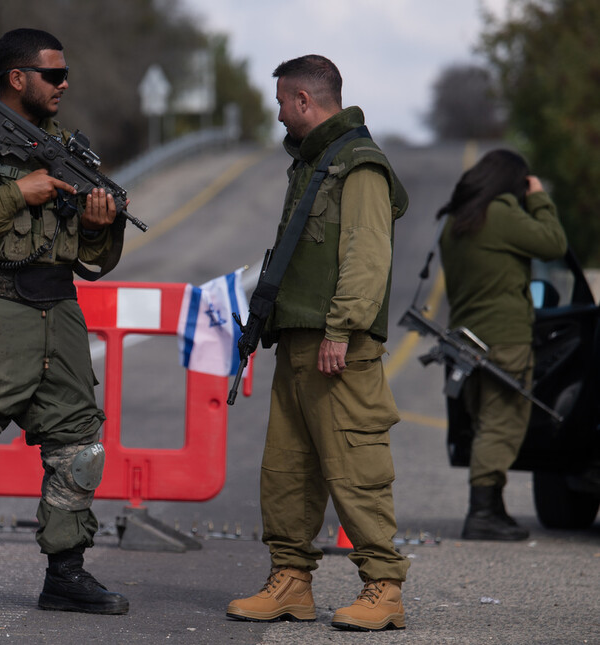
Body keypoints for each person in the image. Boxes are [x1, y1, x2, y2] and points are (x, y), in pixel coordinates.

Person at [0, 28, 128, 616]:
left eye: (65, 75)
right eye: (53, 75)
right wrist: (20, 193)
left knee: (79, 448)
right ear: (18, 78)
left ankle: (66, 574)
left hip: (59, 309)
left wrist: (96, 222)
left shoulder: (68, 148)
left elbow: (95, 260)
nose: (65, 84)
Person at [226, 55, 410, 632]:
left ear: (306, 100)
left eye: (283, 102)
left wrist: (344, 327)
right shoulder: (313, 165)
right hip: (300, 342)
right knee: (287, 470)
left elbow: (366, 254)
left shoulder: (359, 164)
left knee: (355, 467)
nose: (278, 113)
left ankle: (384, 588)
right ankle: (290, 582)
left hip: (337, 345)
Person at [437, 149, 567, 541]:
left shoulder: (456, 221)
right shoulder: (502, 216)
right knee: (502, 424)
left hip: (466, 341)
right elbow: (554, 243)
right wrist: (539, 197)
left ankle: (495, 508)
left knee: (483, 422)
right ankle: (481, 514)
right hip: (505, 338)